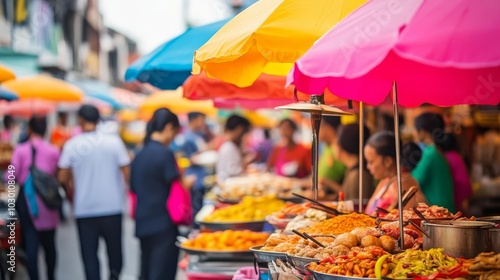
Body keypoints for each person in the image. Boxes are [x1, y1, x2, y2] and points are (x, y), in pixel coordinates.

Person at [58, 105, 131, 280]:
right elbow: (127, 172)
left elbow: (62, 177)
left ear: (81, 120)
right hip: (112, 207)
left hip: (85, 209)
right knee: (115, 253)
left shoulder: (72, 145)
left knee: (89, 256)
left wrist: (72, 183)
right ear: (99, 120)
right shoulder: (114, 142)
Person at [131, 108, 194, 280]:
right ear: (168, 127)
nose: (174, 137)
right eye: (174, 132)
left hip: (143, 221)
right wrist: (187, 183)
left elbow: (133, 187)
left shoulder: (139, 154)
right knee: (162, 272)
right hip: (163, 223)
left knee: (147, 270)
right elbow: (177, 186)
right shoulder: (165, 154)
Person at [9, 116, 59, 280]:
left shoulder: (20, 150)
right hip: (48, 201)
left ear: (29, 129)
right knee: (50, 245)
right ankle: (51, 277)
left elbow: (12, 175)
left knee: (31, 245)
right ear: (45, 130)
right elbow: (58, 175)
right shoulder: (54, 150)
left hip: (28, 203)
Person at [364, 131, 428, 215]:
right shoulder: (384, 182)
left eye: (371, 162)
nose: (368, 167)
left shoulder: (403, 184)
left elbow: (407, 221)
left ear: (388, 161)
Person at [412, 113, 456, 212]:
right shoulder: (438, 151)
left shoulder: (430, 153)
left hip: (439, 214)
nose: (413, 132)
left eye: (414, 128)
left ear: (422, 131)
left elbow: (413, 181)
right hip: (446, 210)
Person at [172, 112, 210, 220]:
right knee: (196, 209)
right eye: (201, 119)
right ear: (194, 120)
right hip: (194, 179)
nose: (203, 123)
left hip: (200, 177)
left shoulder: (198, 134)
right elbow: (182, 157)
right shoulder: (186, 137)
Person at [322, 123, 374, 201]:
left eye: (335, 143)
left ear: (341, 146)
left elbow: (353, 207)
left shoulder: (358, 175)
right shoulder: (352, 171)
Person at [440, 133, 473, 213]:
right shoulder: (457, 156)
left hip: (458, 188)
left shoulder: (446, 157)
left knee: (461, 215)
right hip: (464, 188)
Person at [216, 115, 252, 183]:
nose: (245, 137)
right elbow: (234, 173)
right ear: (239, 130)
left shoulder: (231, 146)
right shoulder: (229, 148)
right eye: (245, 132)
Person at [317, 116, 347, 198]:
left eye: (318, 126)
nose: (315, 131)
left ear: (328, 127)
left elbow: (347, 191)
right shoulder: (326, 147)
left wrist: (325, 182)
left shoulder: (340, 151)